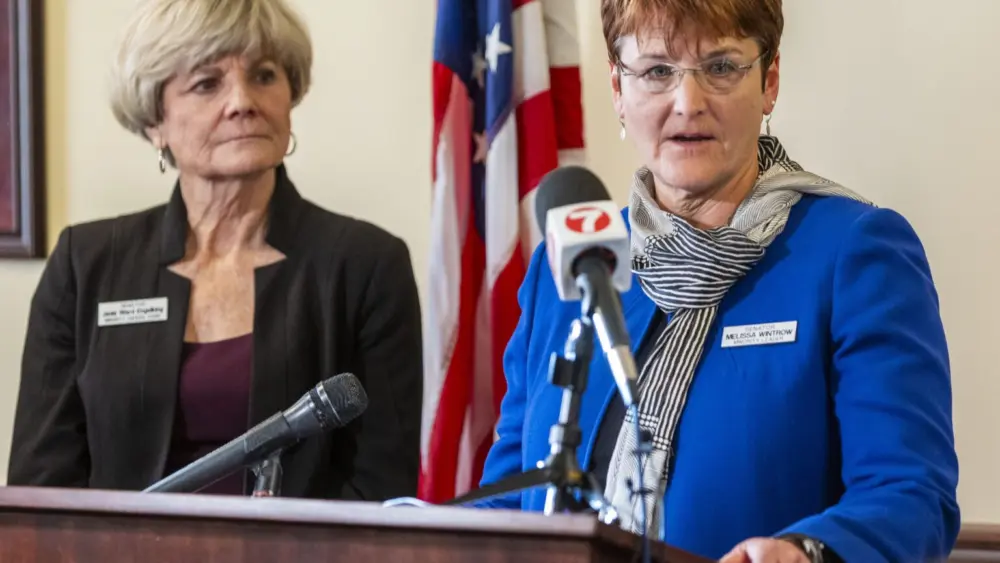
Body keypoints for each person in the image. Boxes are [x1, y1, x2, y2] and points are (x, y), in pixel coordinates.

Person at [477, 1, 960, 561]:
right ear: (617, 87)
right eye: (657, 71)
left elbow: (910, 494)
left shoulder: (852, 253)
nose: (688, 103)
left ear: (769, 80)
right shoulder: (572, 266)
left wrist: (806, 552)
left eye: (722, 67)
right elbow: (508, 500)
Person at [7, 0, 423, 502]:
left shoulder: (366, 266)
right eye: (207, 83)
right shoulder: (85, 263)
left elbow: (380, 489)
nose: (243, 101)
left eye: (264, 76)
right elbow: (43, 489)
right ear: (154, 121)